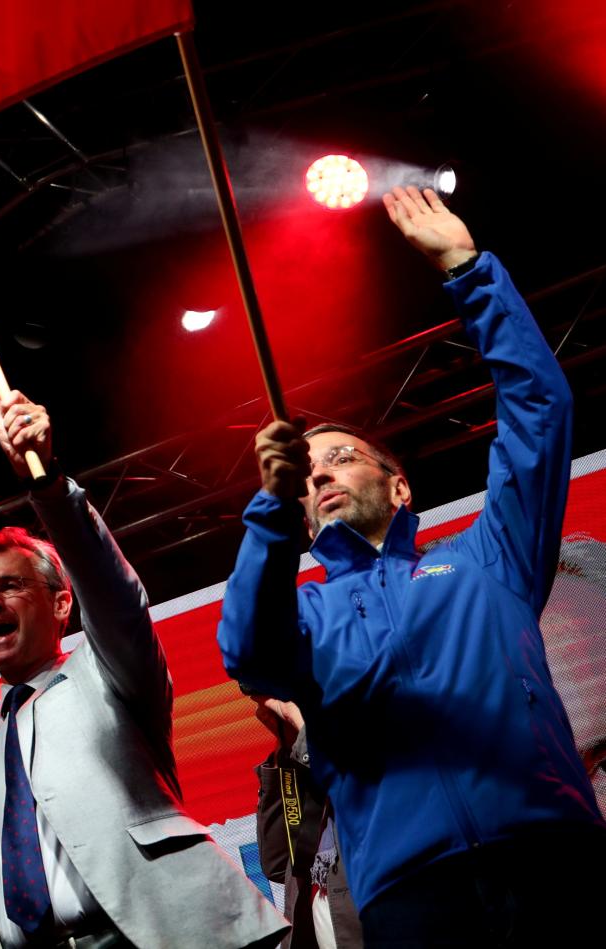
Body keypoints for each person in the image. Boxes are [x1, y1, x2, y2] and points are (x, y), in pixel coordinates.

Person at [218, 186, 606, 945]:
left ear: (398, 485)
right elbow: (248, 651)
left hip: (553, 859)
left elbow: (541, 410)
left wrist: (469, 271)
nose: (321, 474)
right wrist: (266, 511)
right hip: (411, 897)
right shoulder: (305, 614)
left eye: (342, 459)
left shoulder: (488, 555)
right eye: (307, 473)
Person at [0, 387, 289, 948]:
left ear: (61, 603)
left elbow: (112, 593)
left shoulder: (106, 669)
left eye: (10, 585)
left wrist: (49, 487)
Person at [247, 693, 361, 949]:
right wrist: (284, 752)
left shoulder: (365, 758)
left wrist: (309, 737)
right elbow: (277, 865)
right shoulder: (310, 767)